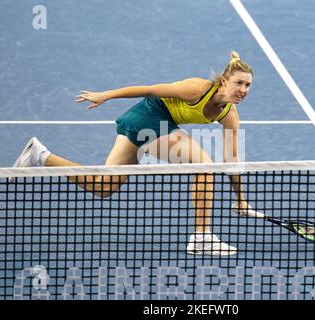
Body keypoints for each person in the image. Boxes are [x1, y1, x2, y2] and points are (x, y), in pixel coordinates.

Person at [13, 51, 263, 256]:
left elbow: (232, 162)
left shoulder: (230, 115)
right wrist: (106, 96)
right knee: (204, 165)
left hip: (144, 122)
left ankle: (41, 155)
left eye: (248, 85)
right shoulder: (197, 89)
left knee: (103, 187)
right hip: (149, 117)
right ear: (223, 82)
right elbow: (151, 89)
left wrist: (240, 199)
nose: (243, 89)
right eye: (238, 83)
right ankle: (202, 236)